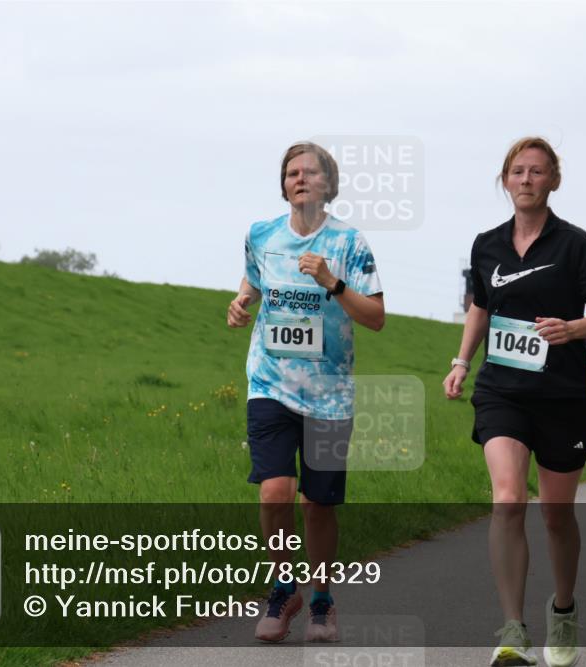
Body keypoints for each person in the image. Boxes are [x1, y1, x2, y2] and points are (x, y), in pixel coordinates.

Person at [443, 137, 586, 667]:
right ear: (505, 179)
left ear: (553, 181)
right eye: (517, 171)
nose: (525, 179)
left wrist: (574, 328)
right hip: (502, 390)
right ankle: (513, 629)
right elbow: (480, 307)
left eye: (536, 172)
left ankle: (562, 611)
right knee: (509, 497)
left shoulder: (576, 244)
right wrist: (461, 362)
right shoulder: (486, 244)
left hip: (561, 393)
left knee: (557, 515)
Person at [227, 142, 385, 643]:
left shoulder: (350, 243)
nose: (299, 179)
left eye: (309, 172)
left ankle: (320, 600)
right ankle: (282, 589)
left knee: (318, 504)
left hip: (329, 395)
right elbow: (254, 280)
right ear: (284, 185)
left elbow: (376, 318)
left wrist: (332, 282)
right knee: (275, 493)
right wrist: (241, 300)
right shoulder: (260, 234)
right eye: (291, 173)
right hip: (269, 382)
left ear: (328, 184)